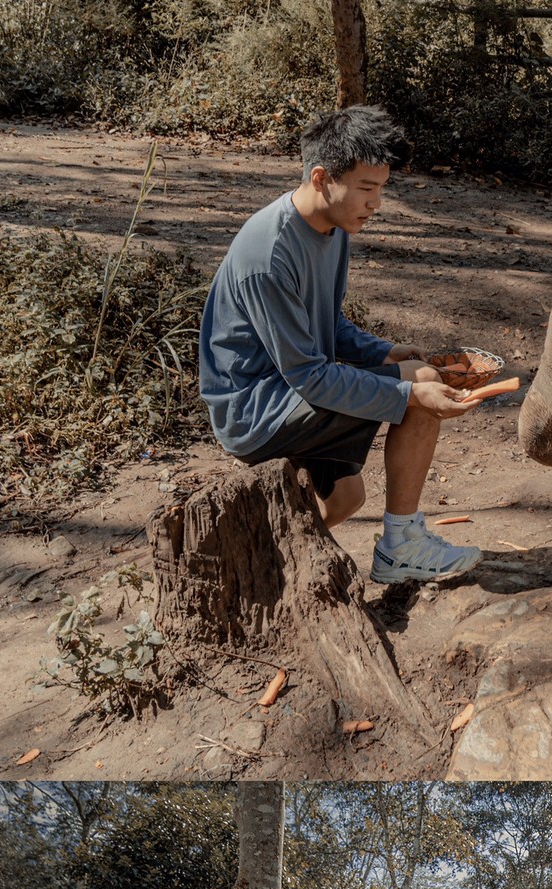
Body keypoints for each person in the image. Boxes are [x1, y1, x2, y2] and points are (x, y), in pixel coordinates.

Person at [198, 103, 485, 584]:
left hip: (292, 390)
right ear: (320, 178)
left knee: (347, 499)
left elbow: (326, 324)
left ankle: (254, 561)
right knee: (421, 390)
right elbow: (309, 374)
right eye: (367, 189)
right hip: (256, 410)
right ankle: (400, 549)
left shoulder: (332, 227)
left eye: (382, 190)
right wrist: (407, 392)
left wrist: (382, 352)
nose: (376, 203)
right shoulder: (268, 255)